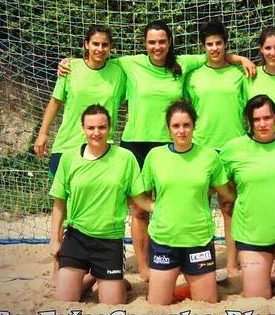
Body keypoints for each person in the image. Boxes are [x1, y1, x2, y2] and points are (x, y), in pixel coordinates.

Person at [57, 20, 255, 282]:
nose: (157, 46)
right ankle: (143, 266)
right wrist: (70, 61)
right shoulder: (129, 64)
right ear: (144, 44)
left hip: (167, 145)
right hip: (136, 144)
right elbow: (97, 57)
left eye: (162, 41)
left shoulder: (183, 65)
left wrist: (240, 59)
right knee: (139, 209)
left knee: (173, 202)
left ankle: (181, 256)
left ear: (169, 42)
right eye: (152, 41)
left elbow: (214, 53)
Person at [48, 104, 153, 303]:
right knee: (66, 300)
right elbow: (59, 203)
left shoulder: (125, 158)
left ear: (110, 128)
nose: (96, 133)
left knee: (113, 304)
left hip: (109, 240)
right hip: (76, 237)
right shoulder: (69, 158)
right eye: (91, 128)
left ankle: (109, 278)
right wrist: (55, 240)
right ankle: (93, 277)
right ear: (83, 128)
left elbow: (139, 199)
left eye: (102, 127)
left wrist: (161, 208)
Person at [138, 100, 235, 305]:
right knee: (157, 305)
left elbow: (227, 193)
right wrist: (155, 207)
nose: (181, 131)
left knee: (207, 303)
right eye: (176, 126)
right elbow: (139, 196)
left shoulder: (209, 156)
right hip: (164, 240)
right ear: (168, 128)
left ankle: (195, 285)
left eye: (186, 125)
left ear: (194, 126)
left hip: (198, 240)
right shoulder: (155, 156)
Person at [219, 94, 275, 302]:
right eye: (256, 120)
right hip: (251, 232)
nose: (262, 124)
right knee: (257, 298)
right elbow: (218, 181)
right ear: (249, 122)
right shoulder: (233, 149)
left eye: (266, 118)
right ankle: (271, 275)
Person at [184, 20, 246, 276]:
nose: (214, 48)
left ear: (225, 44)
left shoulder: (239, 74)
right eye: (209, 44)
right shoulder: (193, 76)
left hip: (232, 149)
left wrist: (241, 60)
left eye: (219, 43)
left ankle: (232, 262)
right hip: (202, 149)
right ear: (204, 47)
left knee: (230, 207)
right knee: (199, 207)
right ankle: (203, 260)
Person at [34, 25, 125, 176]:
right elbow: (55, 102)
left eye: (105, 45)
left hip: (102, 149)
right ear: (86, 44)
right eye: (95, 43)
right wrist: (43, 133)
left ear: (111, 47)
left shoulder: (120, 72)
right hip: (68, 145)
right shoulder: (70, 68)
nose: (100, 49)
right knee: (63, 198)